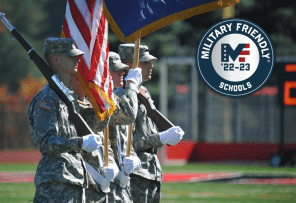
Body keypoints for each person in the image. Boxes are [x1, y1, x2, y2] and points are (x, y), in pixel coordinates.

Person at [28, 37, 102, 203]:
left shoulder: (68, 97)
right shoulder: (47, 98)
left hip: (73, 180)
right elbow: (46, 142)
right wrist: (80, 142)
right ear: (56, 60)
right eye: (71, 56)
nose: (77, 59)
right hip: (55, 184)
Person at [118, 43, 185, 203]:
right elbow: (125, 142)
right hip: (134, 171)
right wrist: (161, 138)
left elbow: (151, 125)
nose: (151, 65)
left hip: (151, 169)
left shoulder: (143, 92)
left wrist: (168, 135)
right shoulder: (121, 95)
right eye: (145, 62)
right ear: (129, 66)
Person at [107, 51, 143, 203]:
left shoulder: (115, 97)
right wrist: (132, 85)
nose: (122, 72)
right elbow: (129, 114)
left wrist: (134, 159)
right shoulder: (100, 100)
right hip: (103, 180)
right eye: (115, 70)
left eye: (122, 69)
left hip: (121, 182)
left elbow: (123, 137)